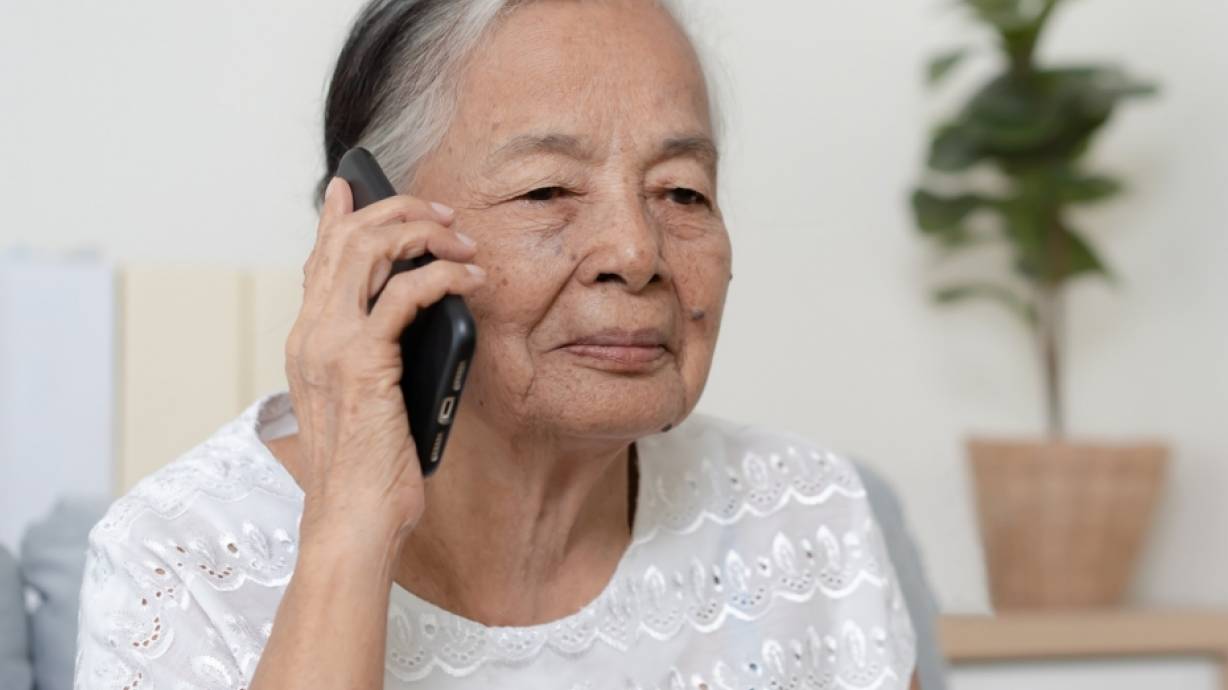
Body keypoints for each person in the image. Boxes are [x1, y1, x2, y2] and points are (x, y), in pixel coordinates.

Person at [73, 1, 918, 688]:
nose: (636, 253)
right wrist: (350, 530)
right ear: (375, 236)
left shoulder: (808, 517)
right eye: (546, 190)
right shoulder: (182, 561)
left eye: (683, 193)